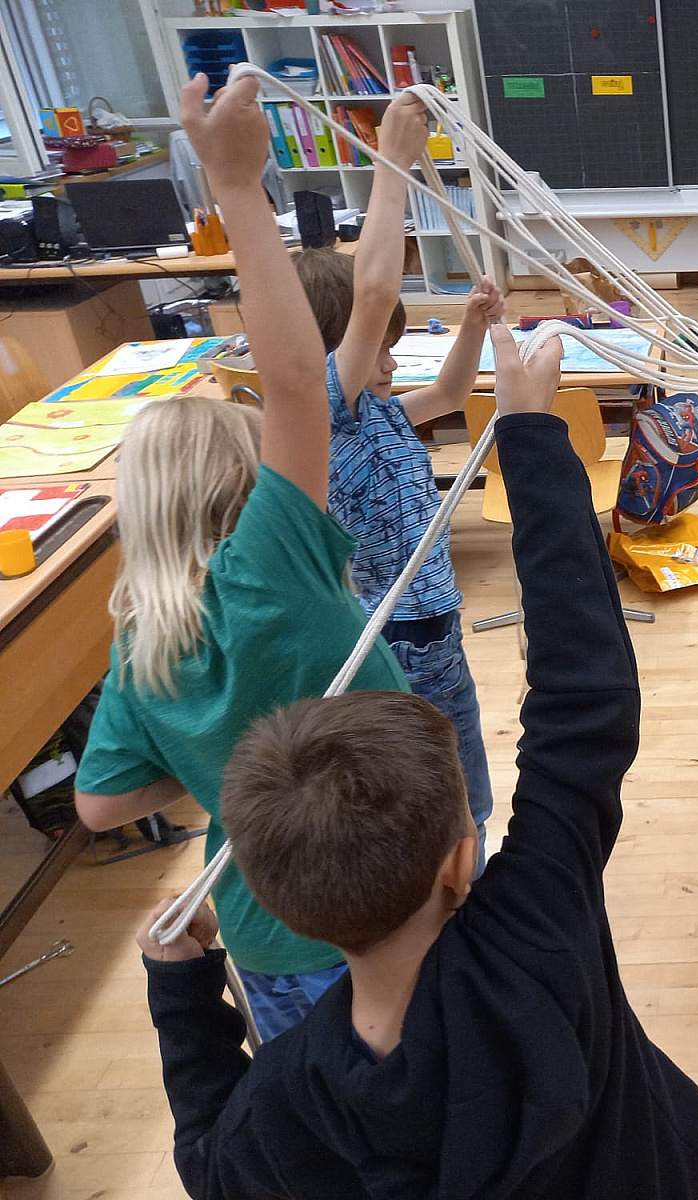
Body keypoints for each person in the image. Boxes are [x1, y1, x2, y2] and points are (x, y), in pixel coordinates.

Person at [135, 72, 698, 1199]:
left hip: (433, 647)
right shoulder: (540, 933)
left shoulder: (288, 1106)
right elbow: (586, 706)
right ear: (463, 859)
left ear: (282, 905)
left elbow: (213, 1162)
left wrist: (183, 997)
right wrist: (537, 440)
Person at [73, 74, 410, 1041]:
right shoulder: (272, 562)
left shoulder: (140, 645)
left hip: (270, 933)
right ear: (242, 479)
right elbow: (297, 381)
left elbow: (97, 807)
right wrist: (235, 185)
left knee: (324, 1106)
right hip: (393, 897)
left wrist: (215, 769)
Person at [293, 92, 501, 871]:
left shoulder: (376, 411)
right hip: (393, 643)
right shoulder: (326, 414)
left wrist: (473, 326)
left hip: (436, 629)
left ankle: (465, 884)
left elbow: (448, 394)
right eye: (376, 346)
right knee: (426, 800)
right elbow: (374, 292)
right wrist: (392, 163)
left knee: (467, 794)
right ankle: (437, 894)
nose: (387, 360)